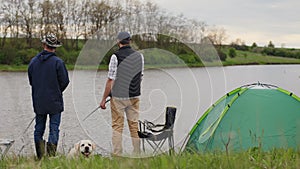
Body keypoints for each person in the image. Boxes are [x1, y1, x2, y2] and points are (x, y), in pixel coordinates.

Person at [100, 31, 144, 156]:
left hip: (118, 97)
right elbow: (140, 76)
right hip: (135, 97)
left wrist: (104, 99)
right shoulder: (139, 56)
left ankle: (117, 155)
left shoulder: (116, 56)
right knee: (134, 126)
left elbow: (111, 79)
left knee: (117, 127)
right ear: (129, 41)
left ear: (118, 41)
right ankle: (137, 154)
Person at [28, 34, 69, 159]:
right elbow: (65, 81)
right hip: (54, 101)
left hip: (38, 100)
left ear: (44, 45)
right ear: (54, 47)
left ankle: (40, 156)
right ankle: (51, 156)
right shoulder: (58, 62)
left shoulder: (33, 62)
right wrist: (56, 91)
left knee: (39, 128)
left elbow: (31, 81)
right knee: (54, 128)